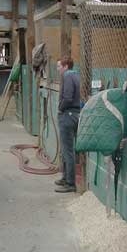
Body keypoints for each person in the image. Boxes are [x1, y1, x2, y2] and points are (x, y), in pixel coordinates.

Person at [55, 56, 80, 193]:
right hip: (76, 114)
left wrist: (60, 108)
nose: (58, 69)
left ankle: (70, 183)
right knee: (68, 150)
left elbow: (68, 97)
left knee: (67, 150)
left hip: (68, 115)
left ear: (65, 67)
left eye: (59, 67)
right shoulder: (77, 75)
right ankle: (66, 177)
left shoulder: (68, 77)